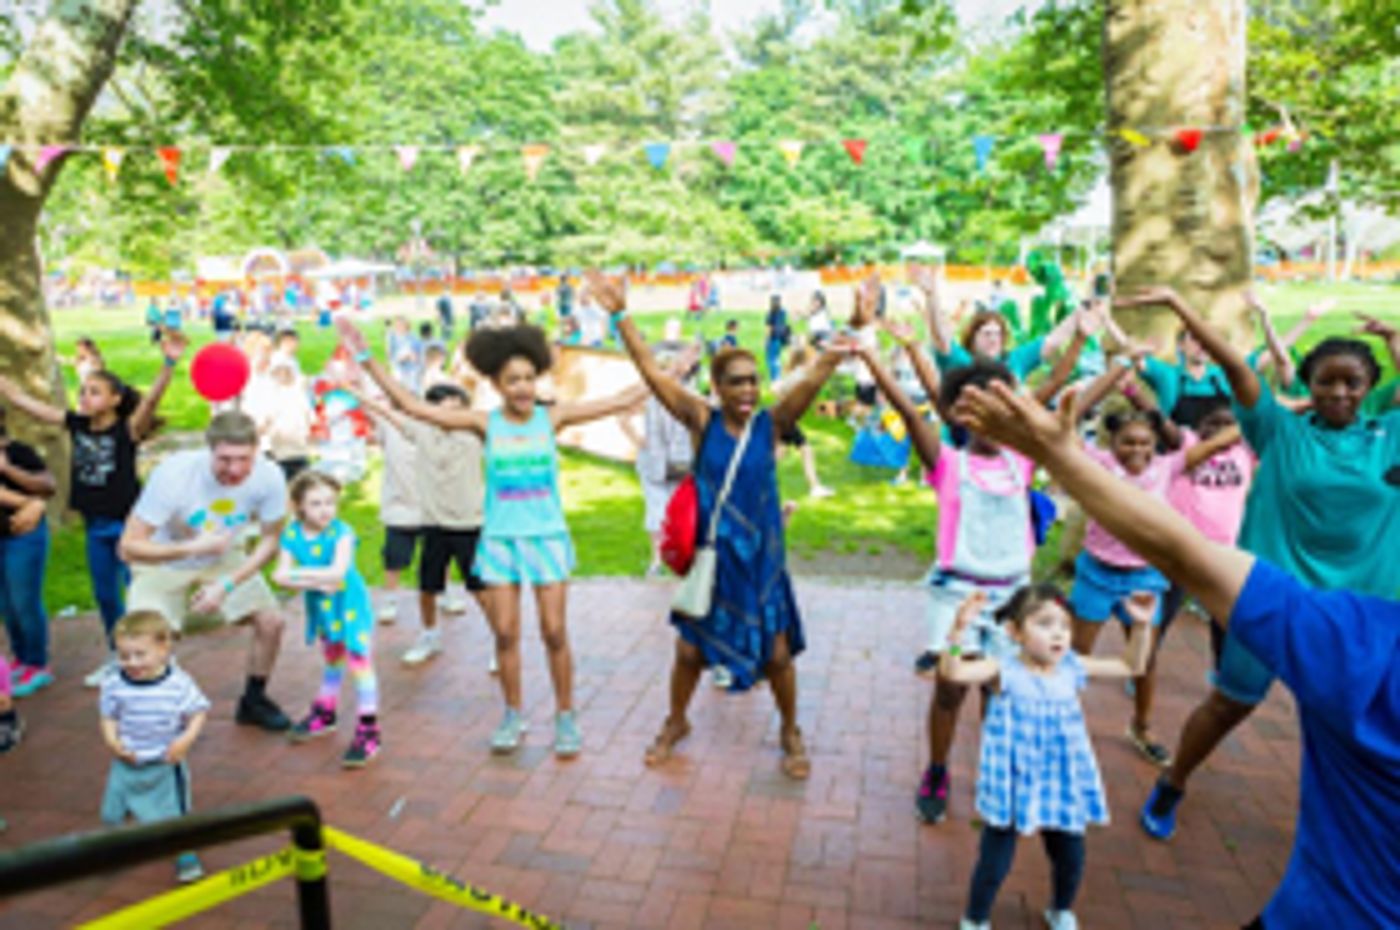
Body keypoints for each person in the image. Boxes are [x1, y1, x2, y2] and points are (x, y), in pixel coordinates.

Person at [955, 376, 1400, 930]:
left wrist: (1054, 454)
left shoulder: (1362, 647)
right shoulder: (1359, 641)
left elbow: (1178, 559)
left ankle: (1151, 775)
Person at [1111, 287, 1400, 847]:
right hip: (1276, 596)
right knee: (1229, 703)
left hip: (1361, 611)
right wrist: (1179, 303)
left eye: (1352, 383)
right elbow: (1234, 366)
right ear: (1307, 387)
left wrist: (1395, 344)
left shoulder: (1388, 438)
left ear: (1369, 390)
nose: (1339, 392)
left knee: (1356, 724)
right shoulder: (1277, 428)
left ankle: (1348, 825)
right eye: (1326, 381)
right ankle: (1173, 783)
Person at [338, 312, 645, 757]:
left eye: (528, 378)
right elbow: (412, 406)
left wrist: (667, 364)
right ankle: (513, 713)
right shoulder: (485, 423)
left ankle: (565, 715)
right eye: (512, 380)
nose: (522, 387)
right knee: (503, 633)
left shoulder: (552, 417)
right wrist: (366, 358)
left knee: (555, 632)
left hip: (546, 539)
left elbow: (626, 397)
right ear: (497, 384)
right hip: (500, 540)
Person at [610, 272, 856, 780]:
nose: (747, 388)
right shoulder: (701, 420)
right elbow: (655, 376)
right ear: (717, 388)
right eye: (736, 381)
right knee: (689, 650)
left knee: (779, 655)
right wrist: (621, 316)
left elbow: (812, 379)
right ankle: (676, 721)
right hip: (715, 560)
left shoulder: (773, 424)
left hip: (761, 563)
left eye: (752, 380)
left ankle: (790, 730)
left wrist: (850, 329)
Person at [948, 586, 1155, 930]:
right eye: (1044, 623)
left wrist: (1143, 627)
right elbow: (954, 673)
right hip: (1014, 778)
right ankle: (975, 918)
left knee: (1071, 856)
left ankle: (1060, 909)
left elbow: (1132, 665)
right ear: (1014, 632)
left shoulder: (1072, 667)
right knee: (995, 860)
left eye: (1064, 625)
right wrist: (958, 630)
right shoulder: (1004, 670)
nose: (1058, 633)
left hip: (1062, 778)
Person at [0, 330, 187, 687]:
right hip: (95, 526)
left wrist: (169, 363)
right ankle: (119, 657)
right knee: (104, 597)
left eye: (94, 391)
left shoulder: (127, 430)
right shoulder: (76, 424)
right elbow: (29, 405)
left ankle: (158, 658)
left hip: (128, 527)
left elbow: (150, 404)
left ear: (115, 399)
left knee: (139, 595)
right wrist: (7, 389)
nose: (85, 396)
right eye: (83, 390)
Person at [1069, 385, 1238, 765]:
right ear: (1112, 442)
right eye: (1128, 442)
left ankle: (1142, 726)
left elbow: (1217, 442)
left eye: (1146, 443)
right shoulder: (1097, 463)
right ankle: (1063, 721)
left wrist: (1265, 407)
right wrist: (1111, 376)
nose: (1138, 451)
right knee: (1076, 656)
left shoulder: (1167, 467)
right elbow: (1065, 428)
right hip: (1096, 573)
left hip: (1143, 579)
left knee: (1144, 659)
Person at [118, 412, 292, 732]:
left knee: (272, 622)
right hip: (163, 560)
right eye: (225, 459)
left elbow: (271, 540)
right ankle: (160, 715)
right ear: (208, 450)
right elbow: (128, 547)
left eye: (244, 459)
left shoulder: (269, 476)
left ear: (256, 450)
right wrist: (191, 548)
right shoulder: (174, 475)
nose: (235, 469)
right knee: (146, 640)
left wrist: (226, 584)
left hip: (223, 560)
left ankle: (253, 701)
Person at [350, 382, 490, 667]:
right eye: (444, 410)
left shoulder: (476, 434)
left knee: (481, 590)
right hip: (433, 525)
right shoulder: (421, 431)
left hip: (469, 526)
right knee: (427, 588)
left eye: (458, 410)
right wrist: (357, 391)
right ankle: (429, 636)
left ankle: (500, 643)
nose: (451, 417)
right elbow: (387, 411)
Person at [274, 472, 381, 767]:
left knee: (359, 662)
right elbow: (278, 576)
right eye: (316, 503)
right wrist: (317, 580)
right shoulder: (292, 535)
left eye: (330, 502)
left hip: (350, 604)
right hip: (323, 606)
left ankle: (369, 728)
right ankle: (326, 712)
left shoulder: (342, 532)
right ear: (299, 506)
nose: (325, 510)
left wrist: (299, 577)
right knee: (333, 657)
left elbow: (337, 573)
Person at [99, 610, 209, 883]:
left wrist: (185, 740)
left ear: (163, 649)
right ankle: (116, 845)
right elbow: (108, 716)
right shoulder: (114, 683)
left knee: (174, 813)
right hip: (127, 760)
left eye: (140, 654)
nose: (132, 663)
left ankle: (185, 852)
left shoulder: (178, 684)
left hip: (165, 761)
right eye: (124, 656)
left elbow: (198, 712)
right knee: (111, 811)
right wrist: (112, 741)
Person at [918, 265, 1077, 381]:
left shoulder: (1016, 361)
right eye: (986, 334)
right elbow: (940, 337)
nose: (993, 339)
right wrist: (931, 295)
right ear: (972, 339)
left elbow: (1053, 340)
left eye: (998, 334)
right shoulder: (961, 361)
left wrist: (1081, 313)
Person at [0, 407, 56, 698]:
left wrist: (7, 469)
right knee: (6, 606)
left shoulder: (19, 452)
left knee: (24, 601)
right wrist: (30, 503)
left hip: (23, 537)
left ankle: (38, 663)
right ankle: (21, 659)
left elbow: (48, 486)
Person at [636, 346, 701, 576]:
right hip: (656, 461)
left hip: (679, 460)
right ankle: (658, 560)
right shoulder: (648, 393)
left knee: (677, 511)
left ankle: (675, 558)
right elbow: (622, 416)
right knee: (657, 510)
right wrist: (638, 440)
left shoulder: (687, 392)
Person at [772, 345, 834, 499]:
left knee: (779, 452)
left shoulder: (798, 373)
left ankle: (754, 482)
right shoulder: (799, 376)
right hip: (786, 418)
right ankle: (815, 487)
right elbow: (778, 391)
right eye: (812, 359)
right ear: (805, 360)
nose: (814, 361)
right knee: (806, 450)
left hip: (785, 417)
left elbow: (777, 390)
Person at [256, 358, 315, 483]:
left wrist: (312, 431)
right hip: (278, 447)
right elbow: (264, 420)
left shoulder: (298, 393)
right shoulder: (269, 394)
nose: (282, 376)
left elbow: (309, 415)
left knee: (301, 482)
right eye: (278, 372)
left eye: (286, 372)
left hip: (297, 446)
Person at [386, 316, 422, 391]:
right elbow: (389, 353)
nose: (398, 327)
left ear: (407, 326)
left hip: (411, 368)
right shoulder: (392, 336)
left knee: (412, 388)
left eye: (401, 325)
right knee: (398, 387)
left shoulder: (413, 337)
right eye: (397, 325)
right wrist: (393, 361)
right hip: (397, 367)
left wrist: (409, 356)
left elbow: (416, 357)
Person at [764, 294, 791, 383]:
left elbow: (769, 329)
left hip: (772, 339)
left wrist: (766, 341)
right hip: (780, 339)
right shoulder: (783, 312)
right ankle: (778, 377)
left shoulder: (770, 313)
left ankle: (774, 379)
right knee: (777, 359)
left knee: (771, 360)